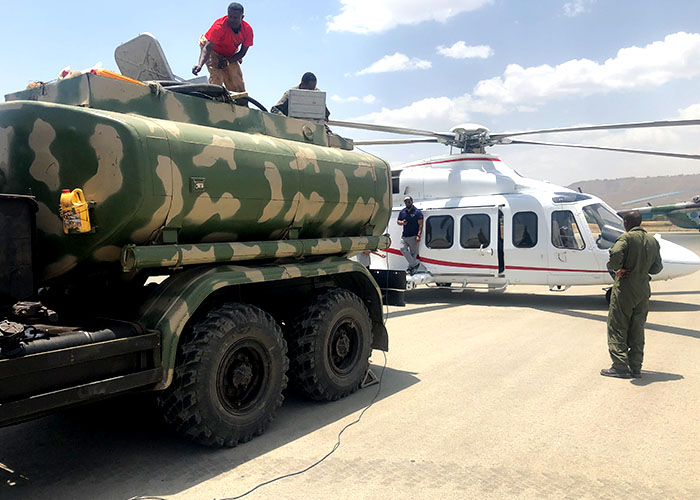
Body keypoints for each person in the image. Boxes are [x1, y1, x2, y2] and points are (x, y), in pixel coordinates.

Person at [601, 210, 663, 379]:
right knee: (637, 328)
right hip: (643, 290)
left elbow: (615, 253)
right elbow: (657, 268)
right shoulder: (652, 241)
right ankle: (636, 367)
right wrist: (642, 269)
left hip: (625, 289)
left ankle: (620, 367)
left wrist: (618, 268)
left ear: (626, 223)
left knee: (617, 326)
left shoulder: (626, 238)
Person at [192, 3, 253, 92]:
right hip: (213, 50)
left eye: (235, 18)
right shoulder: (219, 26)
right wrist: (200, 65)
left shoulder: (247, 30)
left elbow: (242, 52)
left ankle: (239, 100)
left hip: (230, 54)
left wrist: (228, 61)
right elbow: (208, 48)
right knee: (217, 77)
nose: (232, 20)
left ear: (242, 17)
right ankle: (215, 97)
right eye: (230, 16)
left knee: (236, 81)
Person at [397, 196, 423, 275]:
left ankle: (411, 269)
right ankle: (415, 264)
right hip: (405, 236)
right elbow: (398, 221)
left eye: (408, 201)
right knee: (402, 248)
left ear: (412, 202)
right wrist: (402, 223)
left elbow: (420, 225)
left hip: (413, 236)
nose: (407, 203)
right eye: (406, 202)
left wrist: (419, 235)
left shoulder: (417, 212)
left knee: (413, 254)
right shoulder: (402, 212)